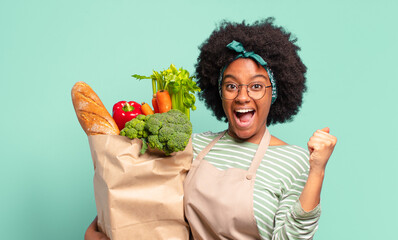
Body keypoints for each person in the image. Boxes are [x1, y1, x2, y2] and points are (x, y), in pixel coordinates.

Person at [85, 18, 337, 240]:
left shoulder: (292, 160)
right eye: (231, 86)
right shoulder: (195, 145)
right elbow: (144, 199)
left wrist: (318, 171)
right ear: (219, 93)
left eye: (256, 86)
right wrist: (99, 229)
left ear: (275, 94)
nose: (242, 97)